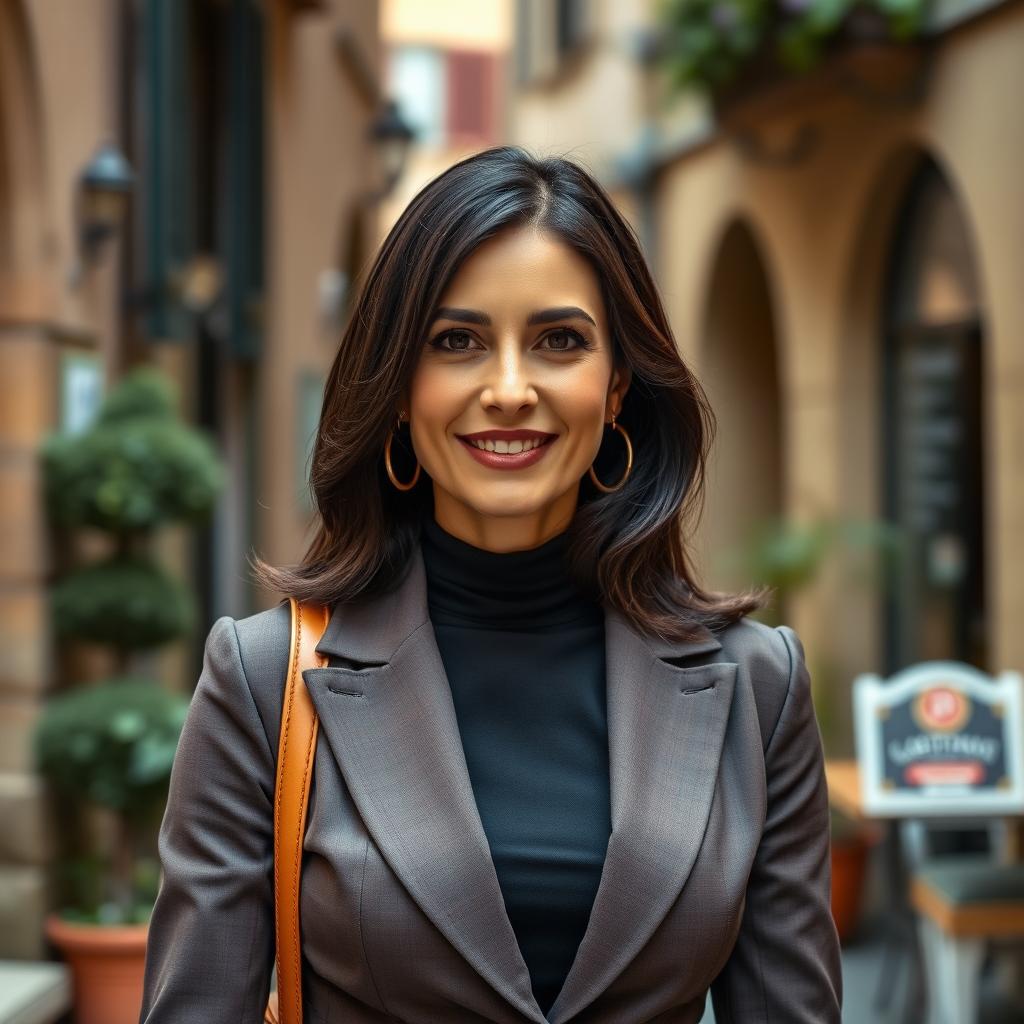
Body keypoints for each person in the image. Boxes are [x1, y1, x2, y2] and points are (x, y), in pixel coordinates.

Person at [138, 145, 842, 1024]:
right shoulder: (260, 679)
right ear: (399, 386)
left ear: (618, 383)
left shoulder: (757, 687)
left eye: (559, 341)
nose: (509, 390)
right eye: (457, 341)